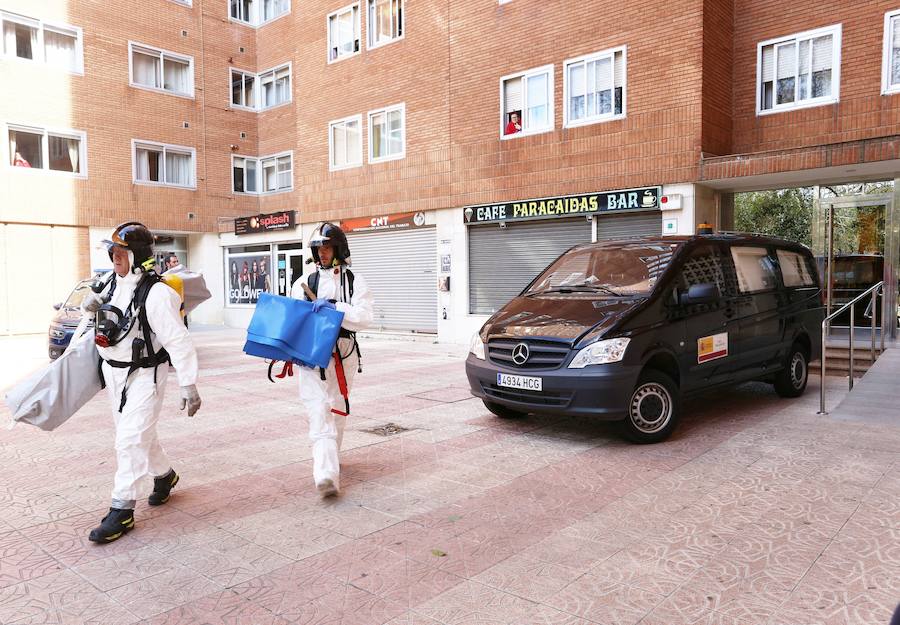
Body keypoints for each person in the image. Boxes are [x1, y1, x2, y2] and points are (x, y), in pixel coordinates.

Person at [80, 222, 201, 543]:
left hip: (146, 375)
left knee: (130, 439)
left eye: (122, 251)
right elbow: (97, 317)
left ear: (138, 255)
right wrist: (88, 306)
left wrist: (188, 384)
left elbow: (179, 341)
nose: (115, 256)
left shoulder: (158, 293)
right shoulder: (109, 283)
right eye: (112, 251)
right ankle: (165, 476)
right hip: (114, 374)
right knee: (136, 433)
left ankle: (122, 509)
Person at [290, 223, 373, 497]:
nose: (322, 253)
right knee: (318, 409)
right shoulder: (302, 281)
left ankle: (331, 458)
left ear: (338, 249)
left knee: (336, 408)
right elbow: (293, 319)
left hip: (343, 353)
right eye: (318, 249)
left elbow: (365, 317)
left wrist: (335, 308)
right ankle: (325, 473)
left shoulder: (354, 280)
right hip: (311, 355)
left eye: (326, 247)